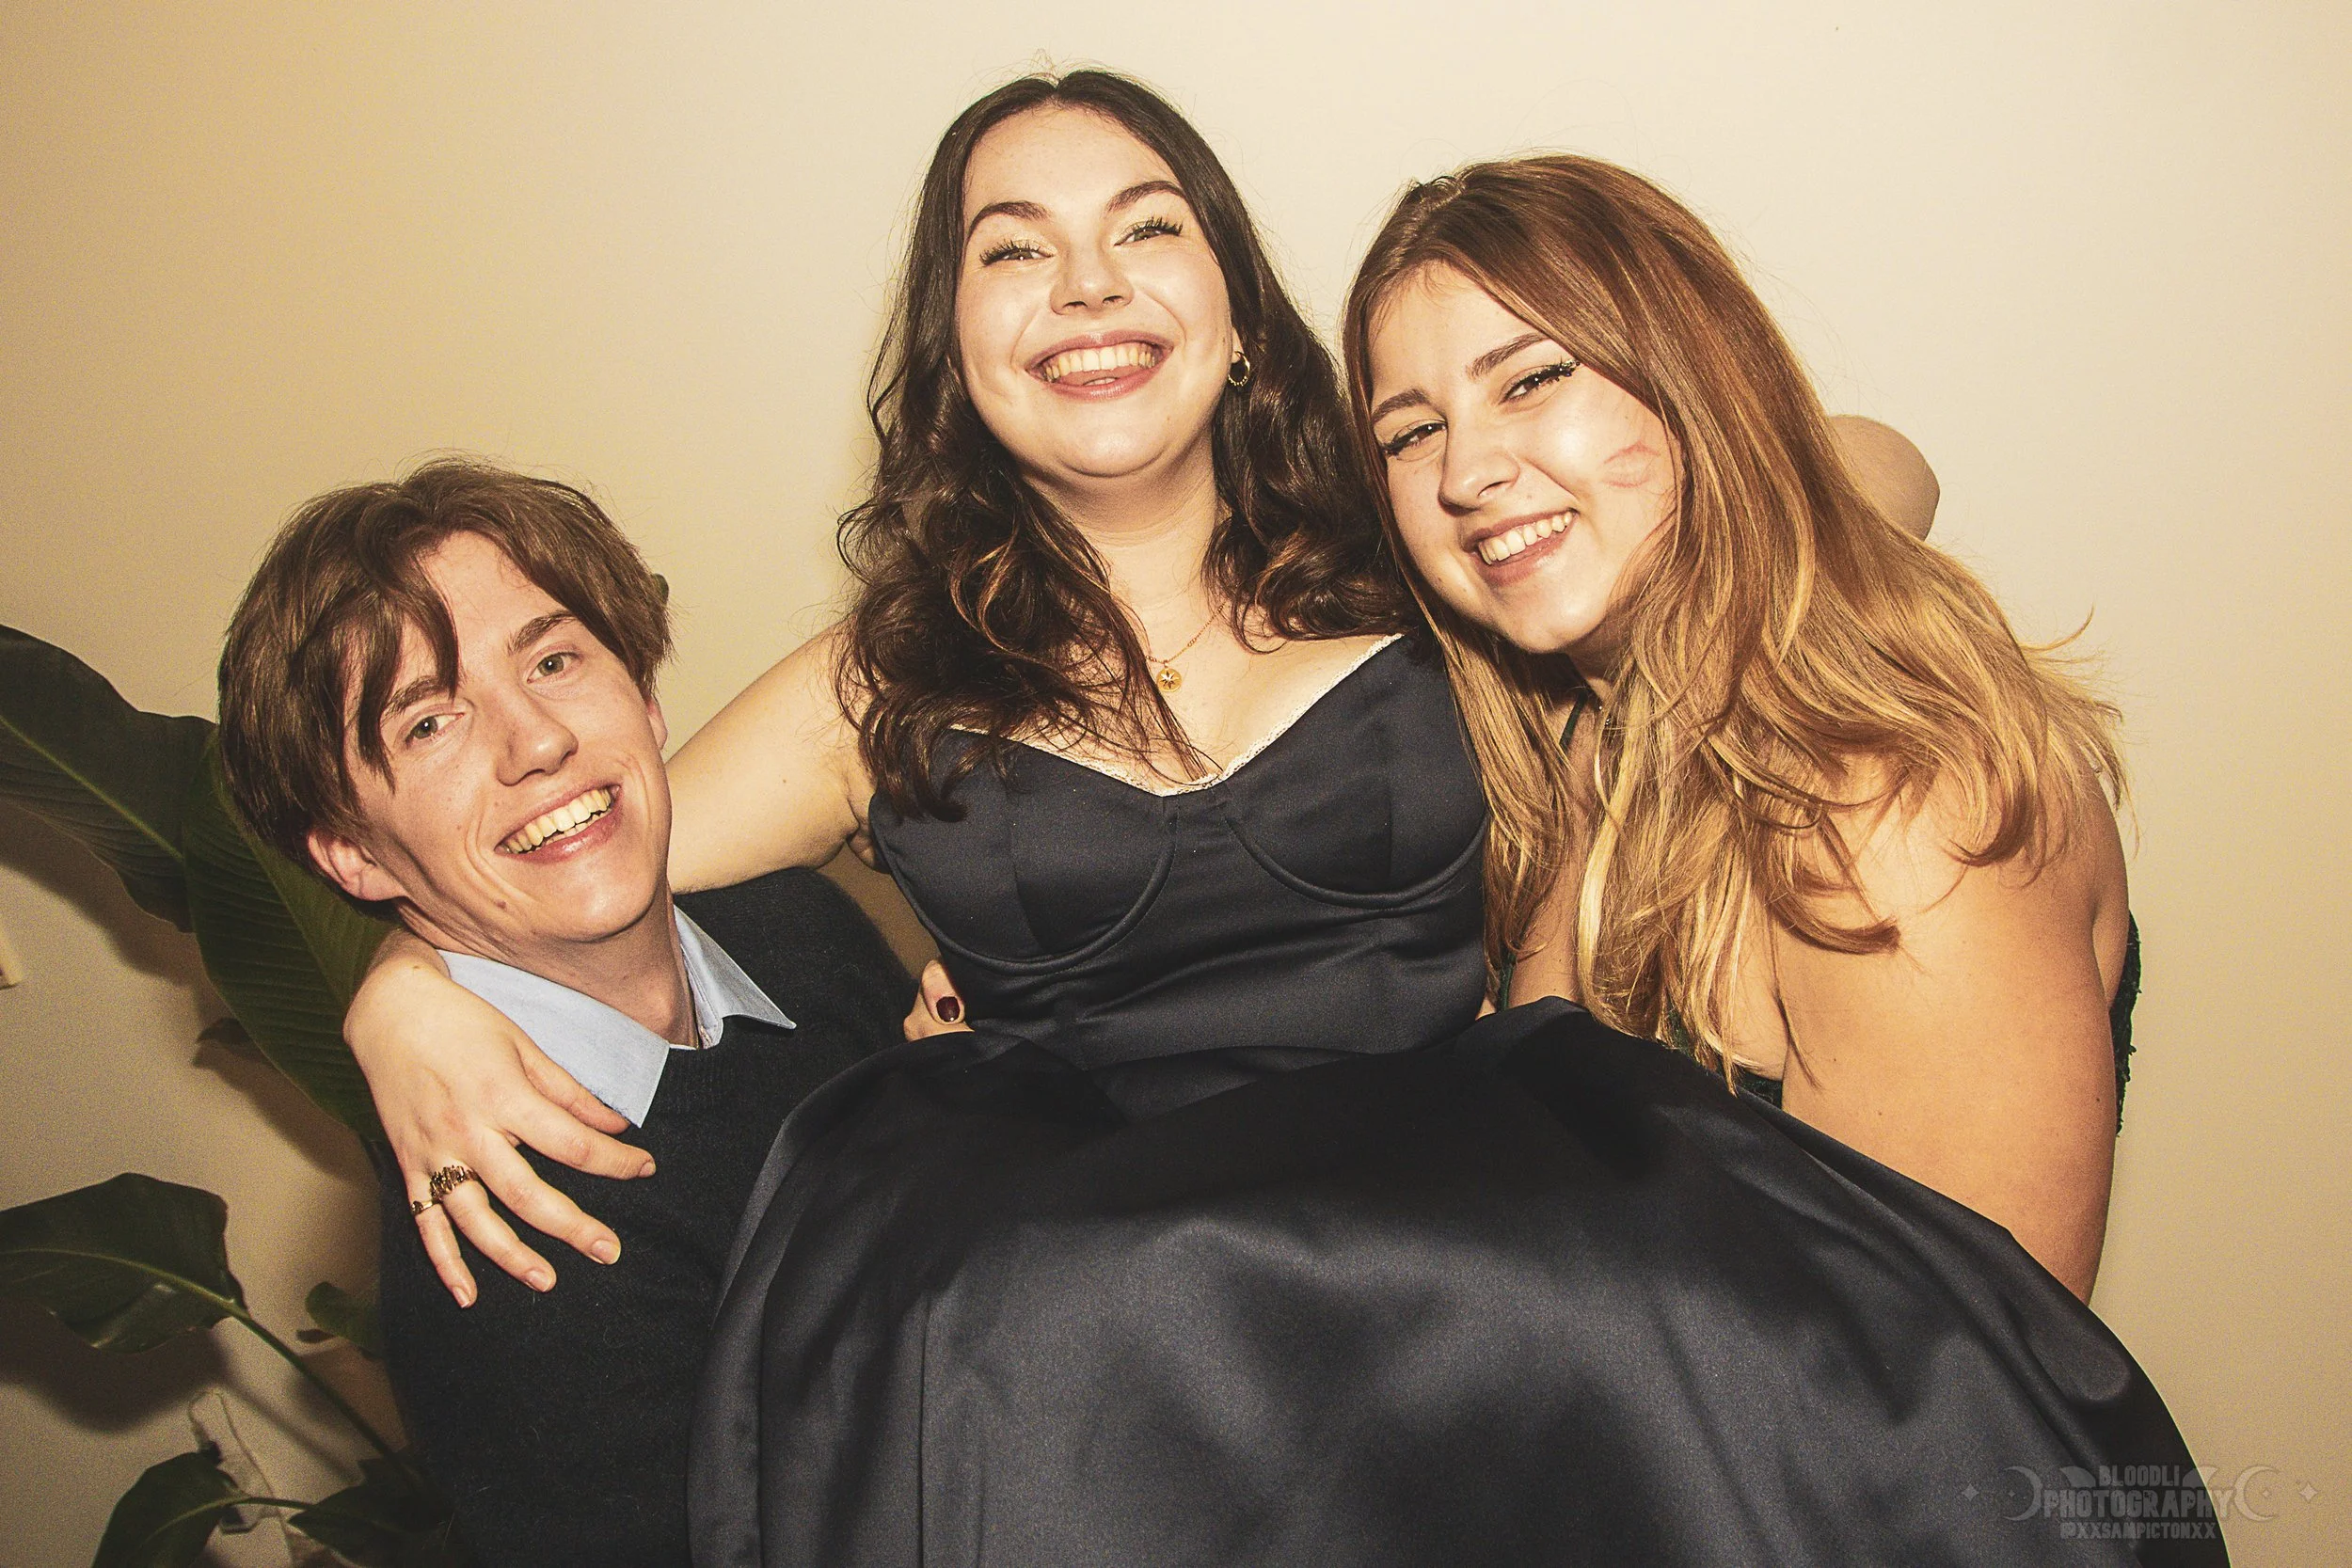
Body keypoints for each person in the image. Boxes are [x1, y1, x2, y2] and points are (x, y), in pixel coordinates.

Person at [344, 73, 2218, 1566]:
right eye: (1014, 252)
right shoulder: (884, 676)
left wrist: (1753, 536)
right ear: (954, 341)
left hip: (1471, 1321)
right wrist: (401, 985)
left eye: (1143, 229)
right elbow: (581, 829)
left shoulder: (1442, 559)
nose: (1083, 287)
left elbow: (1821, 474)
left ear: (1236, 312)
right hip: (1102, 1383)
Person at [1343, 153, 2132, 1299]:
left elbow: (1968, 1406)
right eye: (1410, 432)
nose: (1465, 470)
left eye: (1529, 380)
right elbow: (1866, 462)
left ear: (1692, 379)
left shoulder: (1889, 822)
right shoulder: (1591, 729)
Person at [214, 461, 908, 1568]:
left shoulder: (794, 928)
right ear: (349, 850)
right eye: (430, 723)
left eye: (552, 659)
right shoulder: (521, 1240)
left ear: (644, 694)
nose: (535, 739)